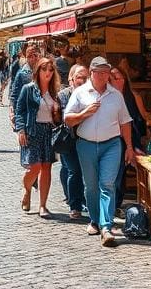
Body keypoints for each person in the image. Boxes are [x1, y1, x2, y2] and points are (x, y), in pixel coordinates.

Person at [64, 56, 135, 247]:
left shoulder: (115, 95)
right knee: (91, 186)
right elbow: (68, 119)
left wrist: (129, 147)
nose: (105, 76)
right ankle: (94, 220)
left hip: (111, 145)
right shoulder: (80, 93)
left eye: (107, 72)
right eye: (100, 72)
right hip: (86, 144)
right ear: (92, 73)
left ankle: (106, 226)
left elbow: (125, 122)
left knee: (107, 184)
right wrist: (84, 113)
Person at [15, 57, 61, 217]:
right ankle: (27, 189)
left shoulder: (55, 91)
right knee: (34, 167)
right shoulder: (28, 89)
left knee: (47, 167)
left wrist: (57, 112)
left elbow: (57, 118)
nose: (48, 72)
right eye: (44, 69)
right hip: (32, 130)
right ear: (38, 71)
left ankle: (43, 205)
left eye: (50, 69)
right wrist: (20, 130)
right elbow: (19, 110)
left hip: (48, 132)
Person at [110, 66, 148, 214]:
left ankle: (116, 203)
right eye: (112, 77)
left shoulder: (133, 95)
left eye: (118, 77)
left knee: (122, 171)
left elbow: (143, 117)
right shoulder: (108, 96)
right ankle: (114, 204)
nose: (115, 80)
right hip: (114, 138)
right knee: (116, 172)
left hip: (132, 137)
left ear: (125, 79)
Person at [58, 64, 89, 218]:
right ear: (71, 79)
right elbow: (66, 118)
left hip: (87, 139)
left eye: (85, 77)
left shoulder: (91, 94)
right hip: (68, 139)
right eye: (79, 77)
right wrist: (85, 114)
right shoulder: (64, 95)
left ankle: (83, 201)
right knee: (74, 170)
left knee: (84, 172)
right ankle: (74, 205)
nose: (82, 81)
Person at [8, 44, 40, 125]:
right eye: (30, 56)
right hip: (26, 111)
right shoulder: (22, 73)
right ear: (26, 57)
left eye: (35, 55)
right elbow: (15, 94)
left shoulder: (43, 71)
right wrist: (12, 112)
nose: (33, 58)